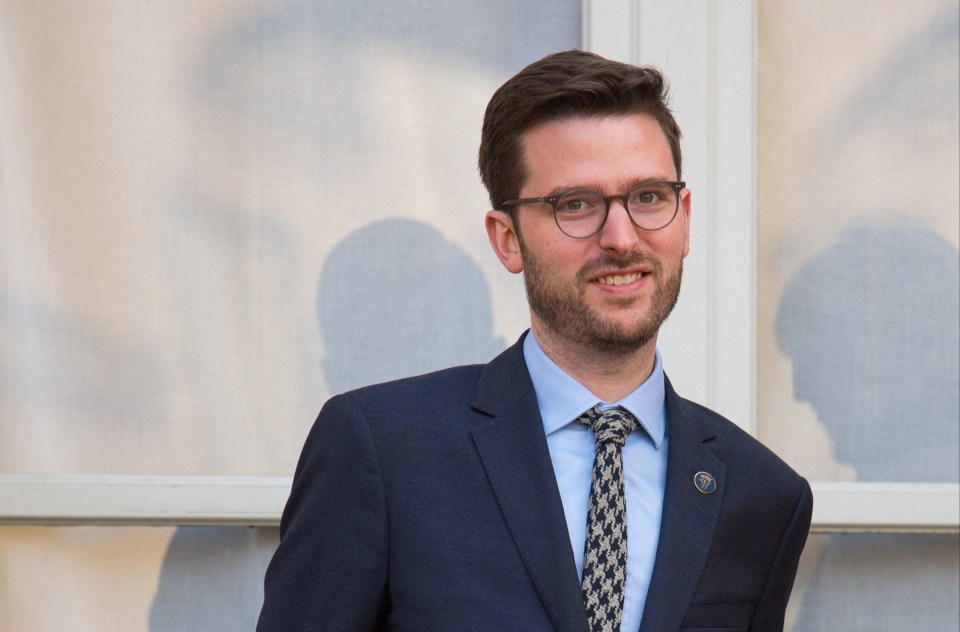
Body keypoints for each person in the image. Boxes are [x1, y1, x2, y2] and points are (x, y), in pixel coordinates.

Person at [258, 49, 812, 632]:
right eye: (576, 205)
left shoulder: (762, 495)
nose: (621, 238)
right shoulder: (382, 449)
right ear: (507, 239)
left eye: (649, 197)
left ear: (685, 216)